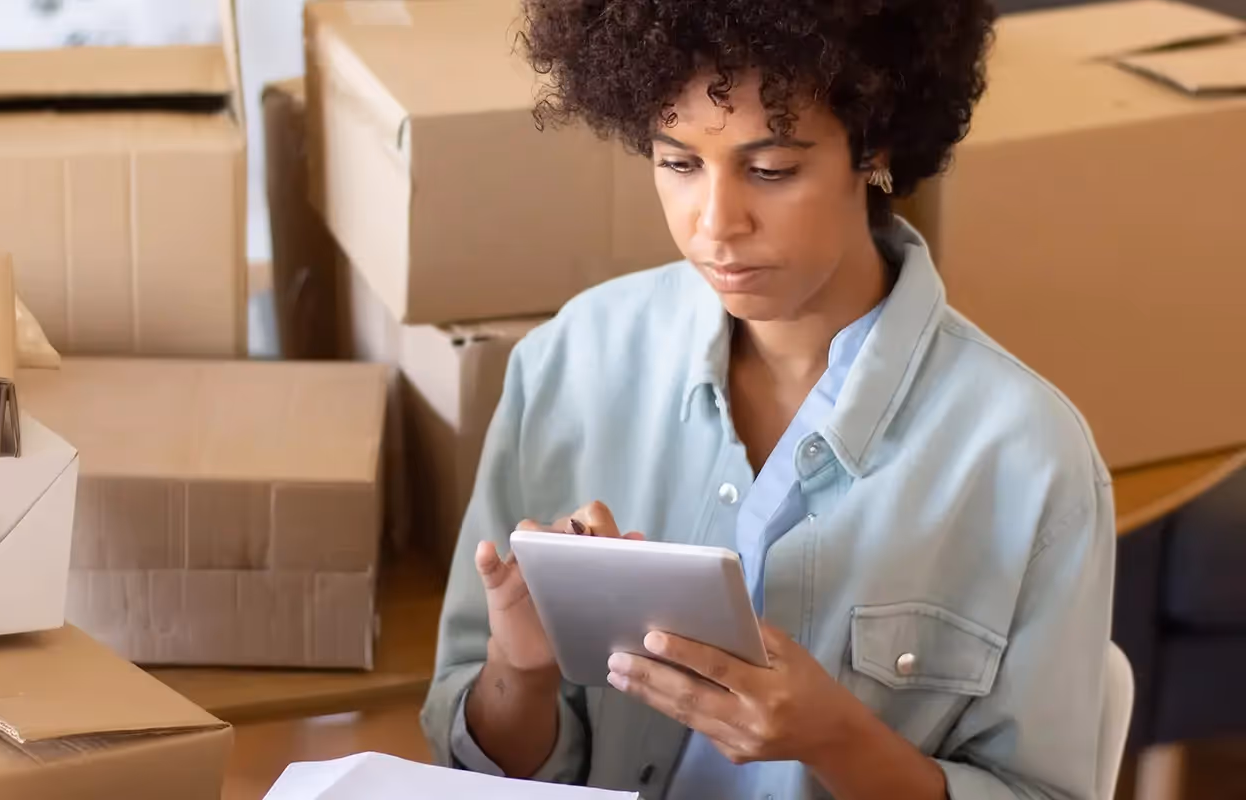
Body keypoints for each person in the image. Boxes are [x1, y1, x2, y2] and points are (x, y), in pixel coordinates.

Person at [421, 0, 1116, 798]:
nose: (716, 226)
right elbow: (476, 763)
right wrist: (522, 671)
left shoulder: (1029, 459)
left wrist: (837, 738)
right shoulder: (570, 364)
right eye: (678, 163)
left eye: (771, 170)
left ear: (876, 145)